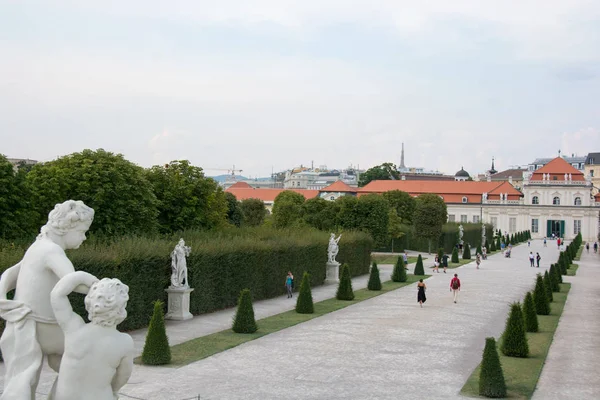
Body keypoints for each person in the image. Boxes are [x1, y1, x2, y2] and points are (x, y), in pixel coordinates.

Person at [0, 200, 95, 398]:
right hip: (43, 326)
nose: (84, 237)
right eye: (81, 231)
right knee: (86, 357)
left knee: (25, 379)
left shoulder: (38, 246)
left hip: (26, 322)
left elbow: (10, 273)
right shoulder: (52, 250)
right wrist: (101, 287)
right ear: (66, 228)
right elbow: (72, 281)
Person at [50, 271, 134, 400]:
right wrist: (114, 390)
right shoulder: (124, 342)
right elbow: (123, 376)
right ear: (121, 307)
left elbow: (57, 294)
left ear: (90, 302)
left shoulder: (74, 328)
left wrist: (85, 278)